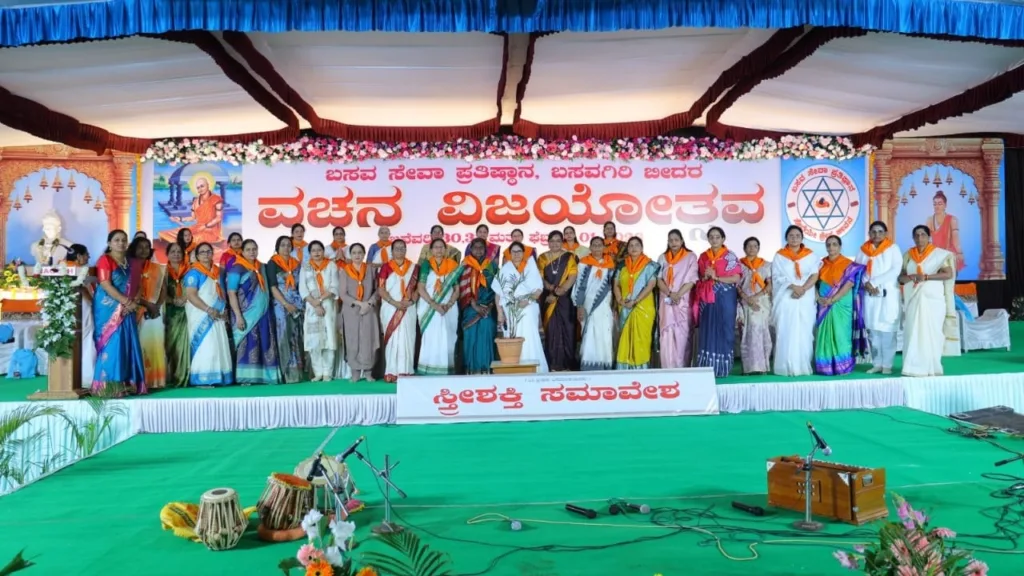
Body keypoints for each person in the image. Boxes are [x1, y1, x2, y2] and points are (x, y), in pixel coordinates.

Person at [92, 230, 146, 395]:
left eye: (124, 240)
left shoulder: (132, 262)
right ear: (109, 243)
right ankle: (108, 387)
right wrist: (126, 302)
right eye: (117, 240)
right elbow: (105, 284)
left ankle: (128, 384)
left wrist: (134, 302)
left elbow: (138, 285)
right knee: (113, 345)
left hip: (128, 308)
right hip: (109, 308)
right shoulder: (105, 260)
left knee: (127, 343)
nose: (121, 243)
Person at [899, 225, 957, 377]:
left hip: (933, 300)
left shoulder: (939, 254)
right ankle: (912, 367)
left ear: (929, 237)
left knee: (932, 333)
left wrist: (926, 277)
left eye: (923, 235)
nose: (920, 238)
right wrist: (910, 277)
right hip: (913, 299)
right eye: (917, 235)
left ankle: (932, 367)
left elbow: (948, 274)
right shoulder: (908, 255)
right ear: (913, 238)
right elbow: (901, 278)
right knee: (912, 331)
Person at [227, 239, 282, 385]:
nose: (252, 252)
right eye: (248, 249)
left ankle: (267, 376)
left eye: (254, 249)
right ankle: (246, 377)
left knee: (265, 340)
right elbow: (231, 293)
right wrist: (238, 316)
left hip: (263, 312)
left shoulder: (262, 267)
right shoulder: (236, 269)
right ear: (242, 252)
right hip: (245, 313)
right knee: (248, 343)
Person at [692, 227, 742, 377]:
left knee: (725, 328)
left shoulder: (730, 257)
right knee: (708, 329)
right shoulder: (703, 257)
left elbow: (736, 278)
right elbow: (698, 277)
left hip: (725, 297)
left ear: (723, 239)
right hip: (707, 298)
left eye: (717, 237)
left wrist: (716, 277)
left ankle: (723, 368)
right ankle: (707, 367)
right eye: (711, 237)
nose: (714, 240)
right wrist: (705, 278)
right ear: (708, 239)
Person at [814, 236, 867, 375]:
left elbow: (849, 284)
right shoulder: (820, 264)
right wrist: (818, 298)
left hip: (842, 303)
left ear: (840, 246)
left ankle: (842, 365)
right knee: (824, 334)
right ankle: (824, 366)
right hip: (824, 302)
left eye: (834, 244)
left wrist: (832, 299)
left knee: (841, 334)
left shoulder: (848, 265)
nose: (831, 247)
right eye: (829, 244)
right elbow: (814, 283)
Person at [183, 242, 234, 386]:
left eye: (209, 251)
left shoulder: (217, 271)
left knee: (218, 343)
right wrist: (208, 310)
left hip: (218, 314)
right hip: (201, 314)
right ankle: (203, 378)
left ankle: (220, 377)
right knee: (206, 345)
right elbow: (191, 295)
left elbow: (221, 292)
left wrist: (224, 311)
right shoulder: (193, 273)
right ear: (197, 256)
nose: (206, 254)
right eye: (202, 252)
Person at [855, 221, 903, 374]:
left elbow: (895, 270)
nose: (877, 234)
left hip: (888, 295)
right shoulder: (863, 250)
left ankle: (887, 365)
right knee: (873, 331)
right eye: (873, 232)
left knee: (887, 331)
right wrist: (866, 284)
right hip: (870, 295)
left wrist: (874, 282)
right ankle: (877, 364)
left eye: (880, 231)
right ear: (869, 233)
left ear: (886, 233)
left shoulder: (893, 248)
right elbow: (858, 270)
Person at [772, 225, 819, 376]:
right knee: (786, 329)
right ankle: (786, 366)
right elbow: (776, 277)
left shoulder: (810, 255)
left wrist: (803, 289)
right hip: (787, 296)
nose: (794, 238)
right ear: (786, 238)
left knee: (805, 331)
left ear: (802, 238)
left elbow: (815, 275)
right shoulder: (779, 256)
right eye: (791, 235)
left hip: (805, 296)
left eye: (797, 235)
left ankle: (803, 365)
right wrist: (793, 287)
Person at [495, 241, 548, 372]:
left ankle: (534, 368)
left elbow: (539, 290)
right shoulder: (505, 269)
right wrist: (499, 312)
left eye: (519, 251)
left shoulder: (530, 267)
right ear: (510, 254)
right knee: (513, 335)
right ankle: (514, 368)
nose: (516, 254)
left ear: (524, 253)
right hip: (511, 309)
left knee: (530, 336)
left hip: (528, 308)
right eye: (513, 252)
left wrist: (527, 300)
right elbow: (498, 293)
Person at [416, 239, 461, 375]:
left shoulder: (452, 264)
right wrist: (434, 304)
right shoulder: (426, 264)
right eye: (435, 247)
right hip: (429, 306)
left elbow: (456, 289)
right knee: (431, 336)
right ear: (431, 250)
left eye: (441, 247)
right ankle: (428, 368)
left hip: (448, 308)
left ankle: (447, 368)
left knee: (447, 336)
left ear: (446, 249)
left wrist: (449, 304)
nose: (439, 250)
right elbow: (421, 287)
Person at [614, 237, 659, 369]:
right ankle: (623, 370)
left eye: (637, 245)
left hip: (643, 307)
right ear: (627, 249)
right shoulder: (622, 266)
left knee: (642, 340)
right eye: (631, 246)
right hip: (624, 306)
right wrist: (619, 300)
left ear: (642, 248)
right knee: (625, 340)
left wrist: (635, 301)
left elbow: (651, 285)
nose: (634, 248)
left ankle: (642, 370)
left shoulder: (650, 265)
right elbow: (616, 284)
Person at [573, 237, 616, 371]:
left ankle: (605, 365)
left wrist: (615, 306)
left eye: (599, 245)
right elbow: (579, 286)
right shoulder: (583, 263)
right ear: (590, 248)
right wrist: (579, 306)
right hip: (588, 304)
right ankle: (589, 365)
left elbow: (614, 286)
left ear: (604, 247)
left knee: (605, 332)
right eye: (594, 245)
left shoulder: (610, 264)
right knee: (590, 333)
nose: (597, 248)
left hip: (605, 304)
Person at [267, 236, 306, 383]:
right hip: (281, 304)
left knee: (296, 335)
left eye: (288, 245)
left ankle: (298, 372)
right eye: (282, 245)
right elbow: (272, 287)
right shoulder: (272, 263)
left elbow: (300, 285)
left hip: (296, 304)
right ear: (277, 247)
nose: (286, 248)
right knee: (284, 335)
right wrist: (286, 304)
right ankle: (287, 374)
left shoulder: (296, 264)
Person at [129, 236, 166, 389]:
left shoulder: (157, 268)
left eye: (146, 247)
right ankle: (138, 381)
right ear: (133, 249)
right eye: (140, 247)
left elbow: (163, 289)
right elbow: (129, 291)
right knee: (139, 345)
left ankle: (154, 381)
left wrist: (156, 306)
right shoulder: (129, 267)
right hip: (135, 310)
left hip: (154, 312)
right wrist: (147, 305)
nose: (144, 250)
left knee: (154, 344)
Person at [379, 239, 419, 382]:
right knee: (392, 340)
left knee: (408, 338)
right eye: (397, 248)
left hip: (408, 308)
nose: (400, 250)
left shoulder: (414, 267)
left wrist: (411, 302)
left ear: (406, 250)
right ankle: (391, 372)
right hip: (390, 307)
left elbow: (417, 289)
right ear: (392, 251)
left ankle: (406, 371)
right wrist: (394, 303)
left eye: (403, 248)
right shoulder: (385, 267)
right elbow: (381, 289)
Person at [657, 229, 698, 368]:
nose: (673, 243)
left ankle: (682, 367)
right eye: (671, 240)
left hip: (683, 301)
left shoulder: (690, 257)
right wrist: (670, 293)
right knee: (667, 334)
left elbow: (692, 279)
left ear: (682, 241)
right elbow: (658, 280)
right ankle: (667, 367)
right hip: (666, 301)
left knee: (682, 336)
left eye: (676, 240)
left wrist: (678, 294)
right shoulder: (663, 258)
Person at [538, 231, 578, 371]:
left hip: (565, 300)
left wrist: (561, 290)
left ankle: (567, 364)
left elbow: (572, 276)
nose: (555, 243)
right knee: (551, 331)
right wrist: (551, 288)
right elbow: (540, 277)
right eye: (552, 241)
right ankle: (553, 364)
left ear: (562, 242)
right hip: (548, 298)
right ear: (548, 242)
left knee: (568, 329)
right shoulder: (542, 258)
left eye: (558, 241)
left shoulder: (570, 257)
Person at [339, 243, 379, 381]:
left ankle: (368, 372)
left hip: (369, 309)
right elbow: (342, 294)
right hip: (351, 310)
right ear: (350, 255)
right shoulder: (344, 271)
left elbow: (378, 290)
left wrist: (369, 303)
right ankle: (355, 372)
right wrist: (359, 303)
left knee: (369, 339)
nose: (357, 255)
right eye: (354, 253)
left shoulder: (371, 270)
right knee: (352, 340)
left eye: (360, 252)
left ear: (364, 254)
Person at [300, 241, 339, 381]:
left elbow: (334, 286)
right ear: (310, 253)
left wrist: (321, 300)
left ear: (323, 251)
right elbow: (303, 289)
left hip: (328, 305)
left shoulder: (331, 265)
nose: (316, 253)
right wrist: (315, 304)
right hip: (312, 307)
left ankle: (328, 372)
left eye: (319, 250)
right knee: (314, 341)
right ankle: (318, 373)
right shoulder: (305, 267)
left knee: (329, 339)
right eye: (313, 250)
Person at [459, 238, 498, 374]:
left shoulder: (492, 266)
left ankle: (486, 368)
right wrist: (475, 306)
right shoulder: (465, 265)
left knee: (487, 326)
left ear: (485, 250)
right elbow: (462, 288)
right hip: (470, 307)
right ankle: (471, 369)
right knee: (471, 333)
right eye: (475, 247)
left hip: (489, 308)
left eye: (481, 247)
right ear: (471, 249)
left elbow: (497, 289)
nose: (478, 250)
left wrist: (490, 306)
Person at [738, 237, 773, 375]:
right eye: (749, 246)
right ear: (744, 248)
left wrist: (756, 297)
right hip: (744, 302)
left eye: (755, 246)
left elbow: (770, 284)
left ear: (759, 248)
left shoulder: (766, 265)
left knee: (761, 333)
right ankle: (748, 368)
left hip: (761, 302)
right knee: (746, 334)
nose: (752, 248)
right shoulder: (739, 265)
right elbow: (736, 285)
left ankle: (762, 367)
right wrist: (746, 298)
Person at [67, 244, 96, 385]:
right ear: (78, 256)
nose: (88, 257)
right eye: (86, 254)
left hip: (72, 307)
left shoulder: (63, 267)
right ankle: (87, 377)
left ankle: (73, 376)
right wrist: (93, 302)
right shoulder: (78, 270)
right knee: (87, 338)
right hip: (82, 306)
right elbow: (82, 289)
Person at [164, 242, 191, 388]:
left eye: (179, 251)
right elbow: (158, 292)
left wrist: (186, 298)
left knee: (184, 345)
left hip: (187, 311)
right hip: (169, 313)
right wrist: (173, 300)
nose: (176, 254)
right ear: (167, 254)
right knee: (170, 344)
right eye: (173, 251)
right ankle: (168, 376)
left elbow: (196, 289)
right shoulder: (162, 271)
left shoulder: (190, 270)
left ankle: (183, 376)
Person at [926, 191, 965, 272]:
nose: (937, 206)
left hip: (949, 254)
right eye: (935, 204)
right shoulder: (929, 220)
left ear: (945, 205)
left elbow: (956, 241)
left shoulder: (952, 219)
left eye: (940, 204)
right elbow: (927, 240)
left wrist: (960, 253)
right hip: (936, 254)